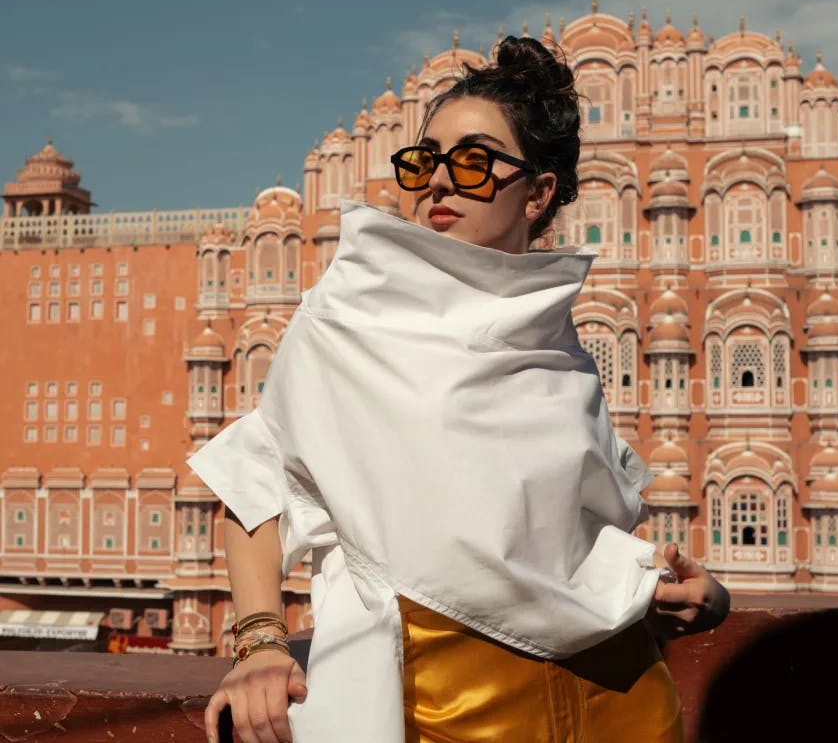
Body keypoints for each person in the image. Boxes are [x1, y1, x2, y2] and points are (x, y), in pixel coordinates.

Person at [196, 36, 729, 743]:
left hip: (622, 702)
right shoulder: (354, 313)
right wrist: (261, 640)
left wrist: (689, 595)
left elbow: (566, 539)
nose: (439, 181)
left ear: (538, 193)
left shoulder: (557, 341)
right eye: (426, 160)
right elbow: (258, 479)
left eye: (474, 161)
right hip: (440, 708)